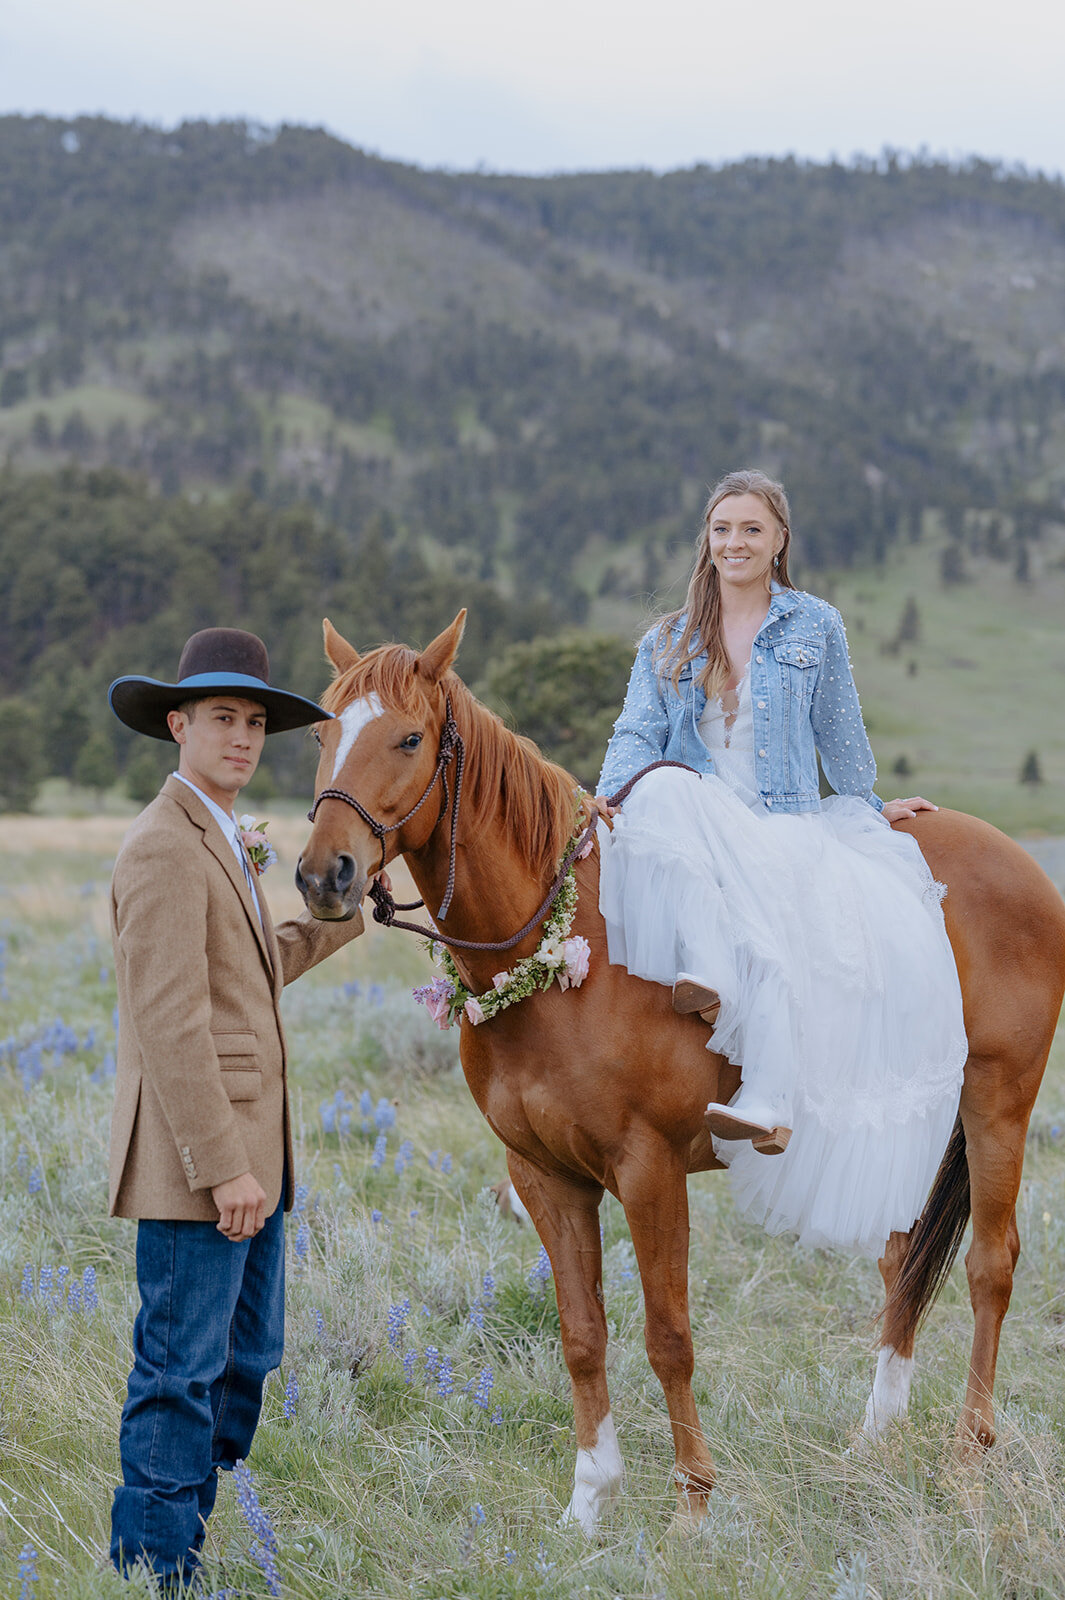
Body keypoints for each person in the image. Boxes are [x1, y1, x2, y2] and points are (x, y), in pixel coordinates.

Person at [594, 470, 967, 1255]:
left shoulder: (812, 625)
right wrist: (608, 796)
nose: (734, 543)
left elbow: (841, 733)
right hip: (693, 814)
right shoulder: (666, 639)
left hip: (781, 819)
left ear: (778, 541)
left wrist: (866, 808)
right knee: (657, 784)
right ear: (707, 538)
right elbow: (634, 734)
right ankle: (715, 984)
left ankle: (766, 1093)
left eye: (750, 530)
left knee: (782, 898)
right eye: (722, 528)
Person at [106, 628, 366, 1590]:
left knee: (244, 1361)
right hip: (201, 1167)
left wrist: (343, 918)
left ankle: (182, 1542)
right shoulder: (164, 847)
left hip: (254, 1157)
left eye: (257, 722)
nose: (243, 738)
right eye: (223, 718)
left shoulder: (220, 836)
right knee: (179, 1375)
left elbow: (248, 979)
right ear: (177, 724)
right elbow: (171, 1025)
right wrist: (225, 1168)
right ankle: (154, 1570)